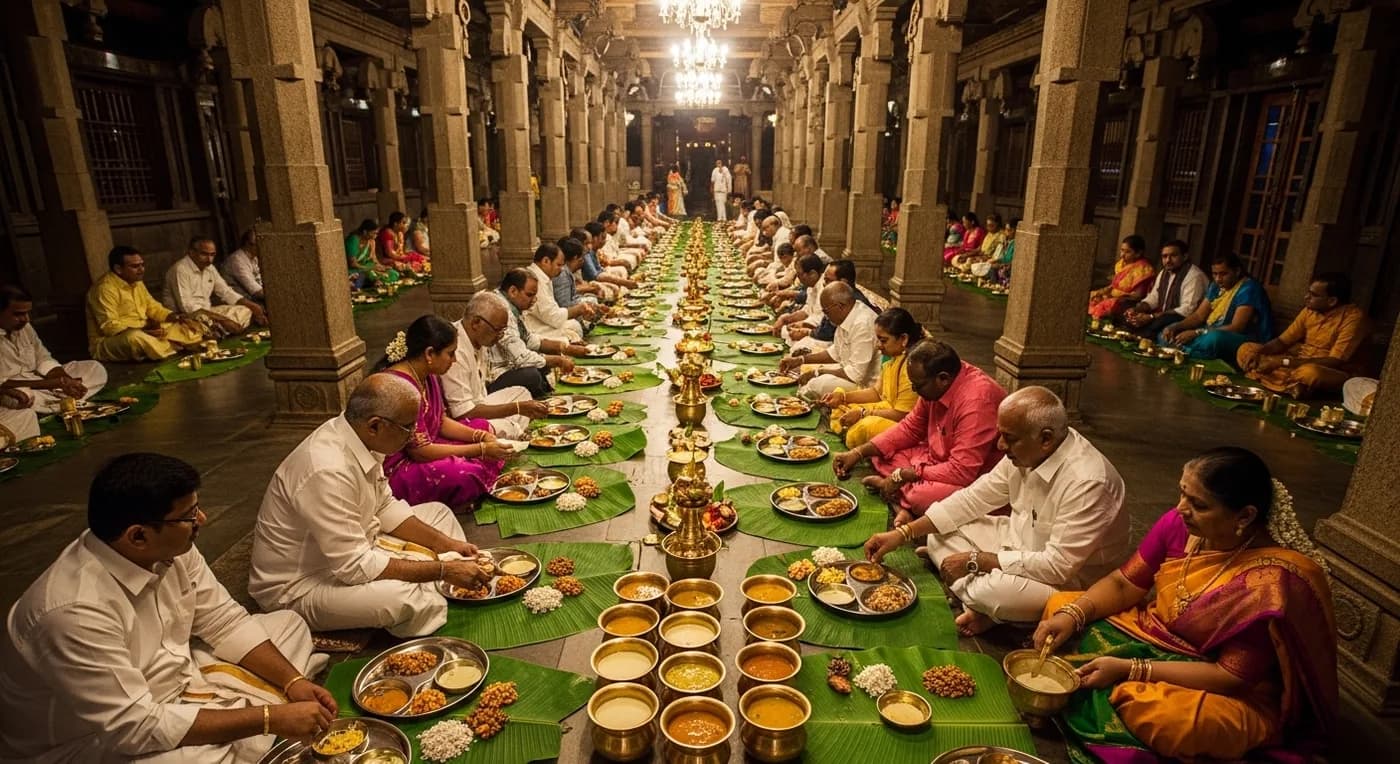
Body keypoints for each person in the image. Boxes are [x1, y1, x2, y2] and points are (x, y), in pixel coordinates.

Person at [0, 453, 336, 762]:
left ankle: (238, 719)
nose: (201, 519)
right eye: (189, 516)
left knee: (287, 624)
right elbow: (132, 727)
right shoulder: (71, 612)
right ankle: (243, 724)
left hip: (175, 683)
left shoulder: (170, 547)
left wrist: (292, 682)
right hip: (91, 740)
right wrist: (267, 719)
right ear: (138, 536)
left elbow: (223, 621)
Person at [1034, 447, 1335, 762]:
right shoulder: (1178, 525)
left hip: (1223, 683)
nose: (1180, 509)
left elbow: (1229, 676)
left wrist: (1130, 669)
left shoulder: (1268, 584)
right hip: (1153, 633)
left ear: (1245, 516)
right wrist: (1074, 614)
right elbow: (1124, 583)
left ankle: (1108, 708)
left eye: (1198, 504)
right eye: (1182, 494)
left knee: (1168, 719)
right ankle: (1100, 690)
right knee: (1060, 605)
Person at [864, 386, 1129, 636]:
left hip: (1068, 583)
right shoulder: (1028, 450)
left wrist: (979, 561)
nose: (1000, 445)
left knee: (995, 595)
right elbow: (973, 499)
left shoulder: (1088, 482)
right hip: (1016, 544)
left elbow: (1057, 567)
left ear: (1046, 439)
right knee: (939, 531)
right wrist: (904, 533)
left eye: (1009, 439)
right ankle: (975, 597)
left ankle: (981, 602)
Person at [250, 374, 491, 638]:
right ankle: (440, 582)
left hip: (359, 545)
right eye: (408, 427)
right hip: (302, 585)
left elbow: (384, 506)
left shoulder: (362, 436)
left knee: (438, 513)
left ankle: (441, 579)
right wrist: (443, 569)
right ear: (375, 425)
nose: (414, 436)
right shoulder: (325, 469)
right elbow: (354, 566)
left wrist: (446, 545)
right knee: (403, 597)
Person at [835, 339, 1007, 513]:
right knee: (882, 453)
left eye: (918, 386)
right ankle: (902, 493)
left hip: (970, 478)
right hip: (935, 460)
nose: (915, 391)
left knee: (923, 497)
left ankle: (901, 495)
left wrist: (904, 474)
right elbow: (910, 427)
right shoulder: (937, 381)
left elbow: (962, 471)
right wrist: (858, 452)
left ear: (943, 379)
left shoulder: (976, 402)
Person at [379, 315, 509, 508]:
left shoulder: (427, 375)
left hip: (430, 444)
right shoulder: (401, 388)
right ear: (430, 353)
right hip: (401, 467)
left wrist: (480, 436)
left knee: (483, 427)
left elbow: (440, 421)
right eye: (451, 353)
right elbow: (420, 452)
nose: (455, 360)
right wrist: (480, 449)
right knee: (464, 473)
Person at [1, 283, 108, 442]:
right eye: (18, 314)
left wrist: (66, 380)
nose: (26, 319)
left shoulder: (25, 327)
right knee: (23, 397)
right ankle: (60, 403)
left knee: (94, 369)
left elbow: (44, 358)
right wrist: (54, 383)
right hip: (17, 390)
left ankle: (61, 401)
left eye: (27, 313)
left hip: (42, 381)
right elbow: (3, 383)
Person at [1237, 272, 1367, 398]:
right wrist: (1259, 352)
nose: (1306, 297)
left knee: (1311, 373)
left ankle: (1276, 379)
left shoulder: (1353, 318)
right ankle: (1293, 387)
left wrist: (1282, 362)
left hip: (1331, 371)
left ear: (1332, 301)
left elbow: (1335, 361)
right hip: (1296, 362)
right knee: (1246, 349)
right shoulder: (1309, 310)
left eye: (1313, 295)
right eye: (1308, 292)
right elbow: (1282, 341)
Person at [441, 291, 547, 438]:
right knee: (508, 421)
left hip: (479, 405)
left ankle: (514, 433)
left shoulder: (480, 339)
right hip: (465, 421)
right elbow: (463, 412)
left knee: (521, 393)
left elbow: (481, 398)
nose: (500, 336)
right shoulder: (455, 349)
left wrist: (517, 407)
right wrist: (516, 409)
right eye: (497, 330)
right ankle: (513, 435)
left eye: (503, 330)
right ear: (476, 323)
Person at [822, 308, 924, 448]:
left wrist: (863, 413)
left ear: (903, 339)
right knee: (843, 405)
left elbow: (902, 415)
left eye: (883, 340)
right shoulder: (894, 358)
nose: (878, 346)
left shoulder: (912, 366)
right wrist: (843, 397)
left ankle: (854, 438)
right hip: (888, 409)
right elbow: (876, 392)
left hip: (905, 424)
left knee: (864, 427)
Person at [86, 246, 207, 362]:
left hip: (146, 330)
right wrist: (145, 331)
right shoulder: (104, 289)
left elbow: (153, 307)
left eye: (142, 265)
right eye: (135, 266)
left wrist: (176, 317)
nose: (141, 270)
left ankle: (167, 346)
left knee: (186, 325)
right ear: (118, 269)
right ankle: (173, 345)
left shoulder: (136, 282)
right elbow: (110, 327)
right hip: (114, 340)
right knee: (134, 338)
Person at [490, 269, 587, 398]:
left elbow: (528, 339)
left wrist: (566, 348)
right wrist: (558, 360)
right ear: (513, 291)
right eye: (530, 295)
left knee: (544, 359)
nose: (534, 300)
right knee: (532, 375)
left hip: (511, 361)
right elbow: (521, 358)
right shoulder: (500, 309)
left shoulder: (510, 304)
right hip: (494, 375)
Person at [1160, 253, 1273, 361]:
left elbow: (1237, 327)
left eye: (1223, 274)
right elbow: (1199, 316)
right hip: (1208, 331)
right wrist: (1176, 327)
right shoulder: (1216, 286)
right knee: (1166, 332)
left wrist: (1197, 333)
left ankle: (1182, 350)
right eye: (1215, 274)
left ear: (1237, 271)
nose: (1218, 279)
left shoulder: (1249, 288)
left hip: (1239, 337)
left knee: (1214, 339)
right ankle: (1186, 350)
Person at [778, 282, 880, 399]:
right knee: (802, 368)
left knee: (818, 384)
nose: (825, 317)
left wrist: (818, 372)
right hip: (848, 372)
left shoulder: (862, 323)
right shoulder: (848, 314)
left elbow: (855, 375)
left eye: (826, 311)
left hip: (865, 386)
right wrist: (800, 360)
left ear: (840, 306)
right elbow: (835, 352)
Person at [164, 237, 266, 334]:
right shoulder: (180, 270)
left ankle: (218, 330)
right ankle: (218, 329)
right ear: (191, 252)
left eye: (212, 255)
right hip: (186, 317)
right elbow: (188, 308)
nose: (209, 259)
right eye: (204, 254)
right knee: (201, 322)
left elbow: (226, 292)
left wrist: (253, 306)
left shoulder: (210, 268)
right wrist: (223, 320)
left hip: (208, 312)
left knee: (245, 310)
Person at [1121, 240, 1207, 337]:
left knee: (1159, 322)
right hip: (1163, 314)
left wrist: (1151, 317)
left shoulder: (1194, 276)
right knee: (1127, 309)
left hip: (1183, 319)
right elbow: (1154, 298)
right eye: (1164, 256)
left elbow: (1187, 310)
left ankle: (1139, 338)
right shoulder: (1164, 272)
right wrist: (1137, 309)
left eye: (1173, 256)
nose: (1168, 260)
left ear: (1185, 256)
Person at [524, 242, 597, 343]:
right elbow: (553, 317)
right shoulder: (535, 279)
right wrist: (577, 310)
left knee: (573, 325)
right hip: (532, 327)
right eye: (558, 265)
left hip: (543, 321)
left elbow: (551, 312)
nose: (561, 269)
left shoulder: (542, 277)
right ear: (545, 261)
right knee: (572, 329)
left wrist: (580, 309)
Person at [1087, 235, 1155, 320]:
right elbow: (1114, 285)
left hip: (1127, 302)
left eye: (1128, 252)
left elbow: (1138, 296)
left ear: (1138, 253)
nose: (1122, 255)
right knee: (1090, 296)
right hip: (1114, 296)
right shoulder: (1122, 264)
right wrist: (1102, 292)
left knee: (1103, 306)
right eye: (1122, 250)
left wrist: (1113, 298)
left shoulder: (1143, 270)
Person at [346, 219, 398, 288]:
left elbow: (374, 260)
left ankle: (377, 282)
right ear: (365, 232)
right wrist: (371, 268)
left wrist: (382, 267)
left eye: (376, 233)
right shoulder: (353, 240)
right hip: (356, 269)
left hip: (368, 266)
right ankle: (376, 281)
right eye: (373, 233)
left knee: (393, 273)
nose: (375, 236)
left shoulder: (371, 241)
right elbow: (353, 264)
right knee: (368, 273)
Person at [222, 228, 265, 303]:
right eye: (257, 244)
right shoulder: (237, 260)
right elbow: (256, 292)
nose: (261, 247)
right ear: (247, 243)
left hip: (252, 298)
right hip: (240, 301)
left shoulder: (254, 257)